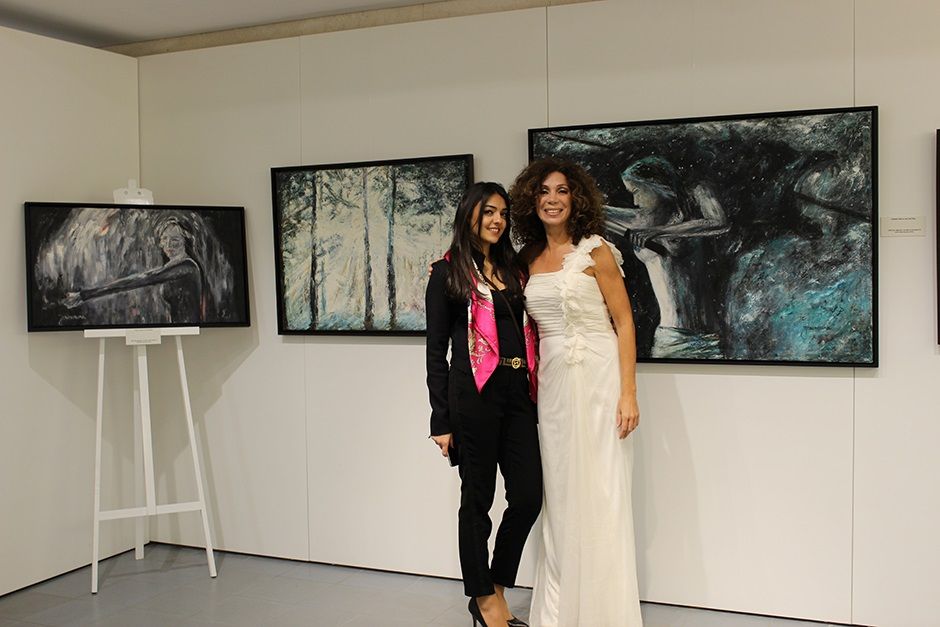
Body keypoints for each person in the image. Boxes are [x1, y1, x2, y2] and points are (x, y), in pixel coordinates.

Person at [510, 158, 642, 626]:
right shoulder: (525, 259)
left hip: (601, 381)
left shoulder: (596, 251)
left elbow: (625, 323)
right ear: (532, 200)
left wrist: (628, 393)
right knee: (561, 493)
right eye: (544, 191)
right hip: (553, 387)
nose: (552, 199)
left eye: (562, 190)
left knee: (601, 490)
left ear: (576, 198)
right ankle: (561, 609)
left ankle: (603, 612)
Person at [425, 182, 542, 627]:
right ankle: (485, 601)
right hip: (472, 395)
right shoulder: (447, 273)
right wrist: (441, 419)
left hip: (518, 392)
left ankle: (494, 586)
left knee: (528, 496)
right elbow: (436, 351)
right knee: (478, 501)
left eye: (503, 213)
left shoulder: (514, 269)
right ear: (469, 215)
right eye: (489, 212)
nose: (498, 220)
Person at [606, 156, 729, 359]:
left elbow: (719, 222)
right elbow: (601, 213)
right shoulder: (644, 218)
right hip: (671, 337)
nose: (635, 201)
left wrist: (657, 232)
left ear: (654, 184)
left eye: (636, 191)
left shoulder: (696, 198)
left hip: (708, 337)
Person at [63, 217, 205, 323]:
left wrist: (85, 295)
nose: (168, 244)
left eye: (175, 239)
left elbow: (140, 280)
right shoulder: (172, 266)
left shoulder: (187, 267)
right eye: (164, 239)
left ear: (186, 240)